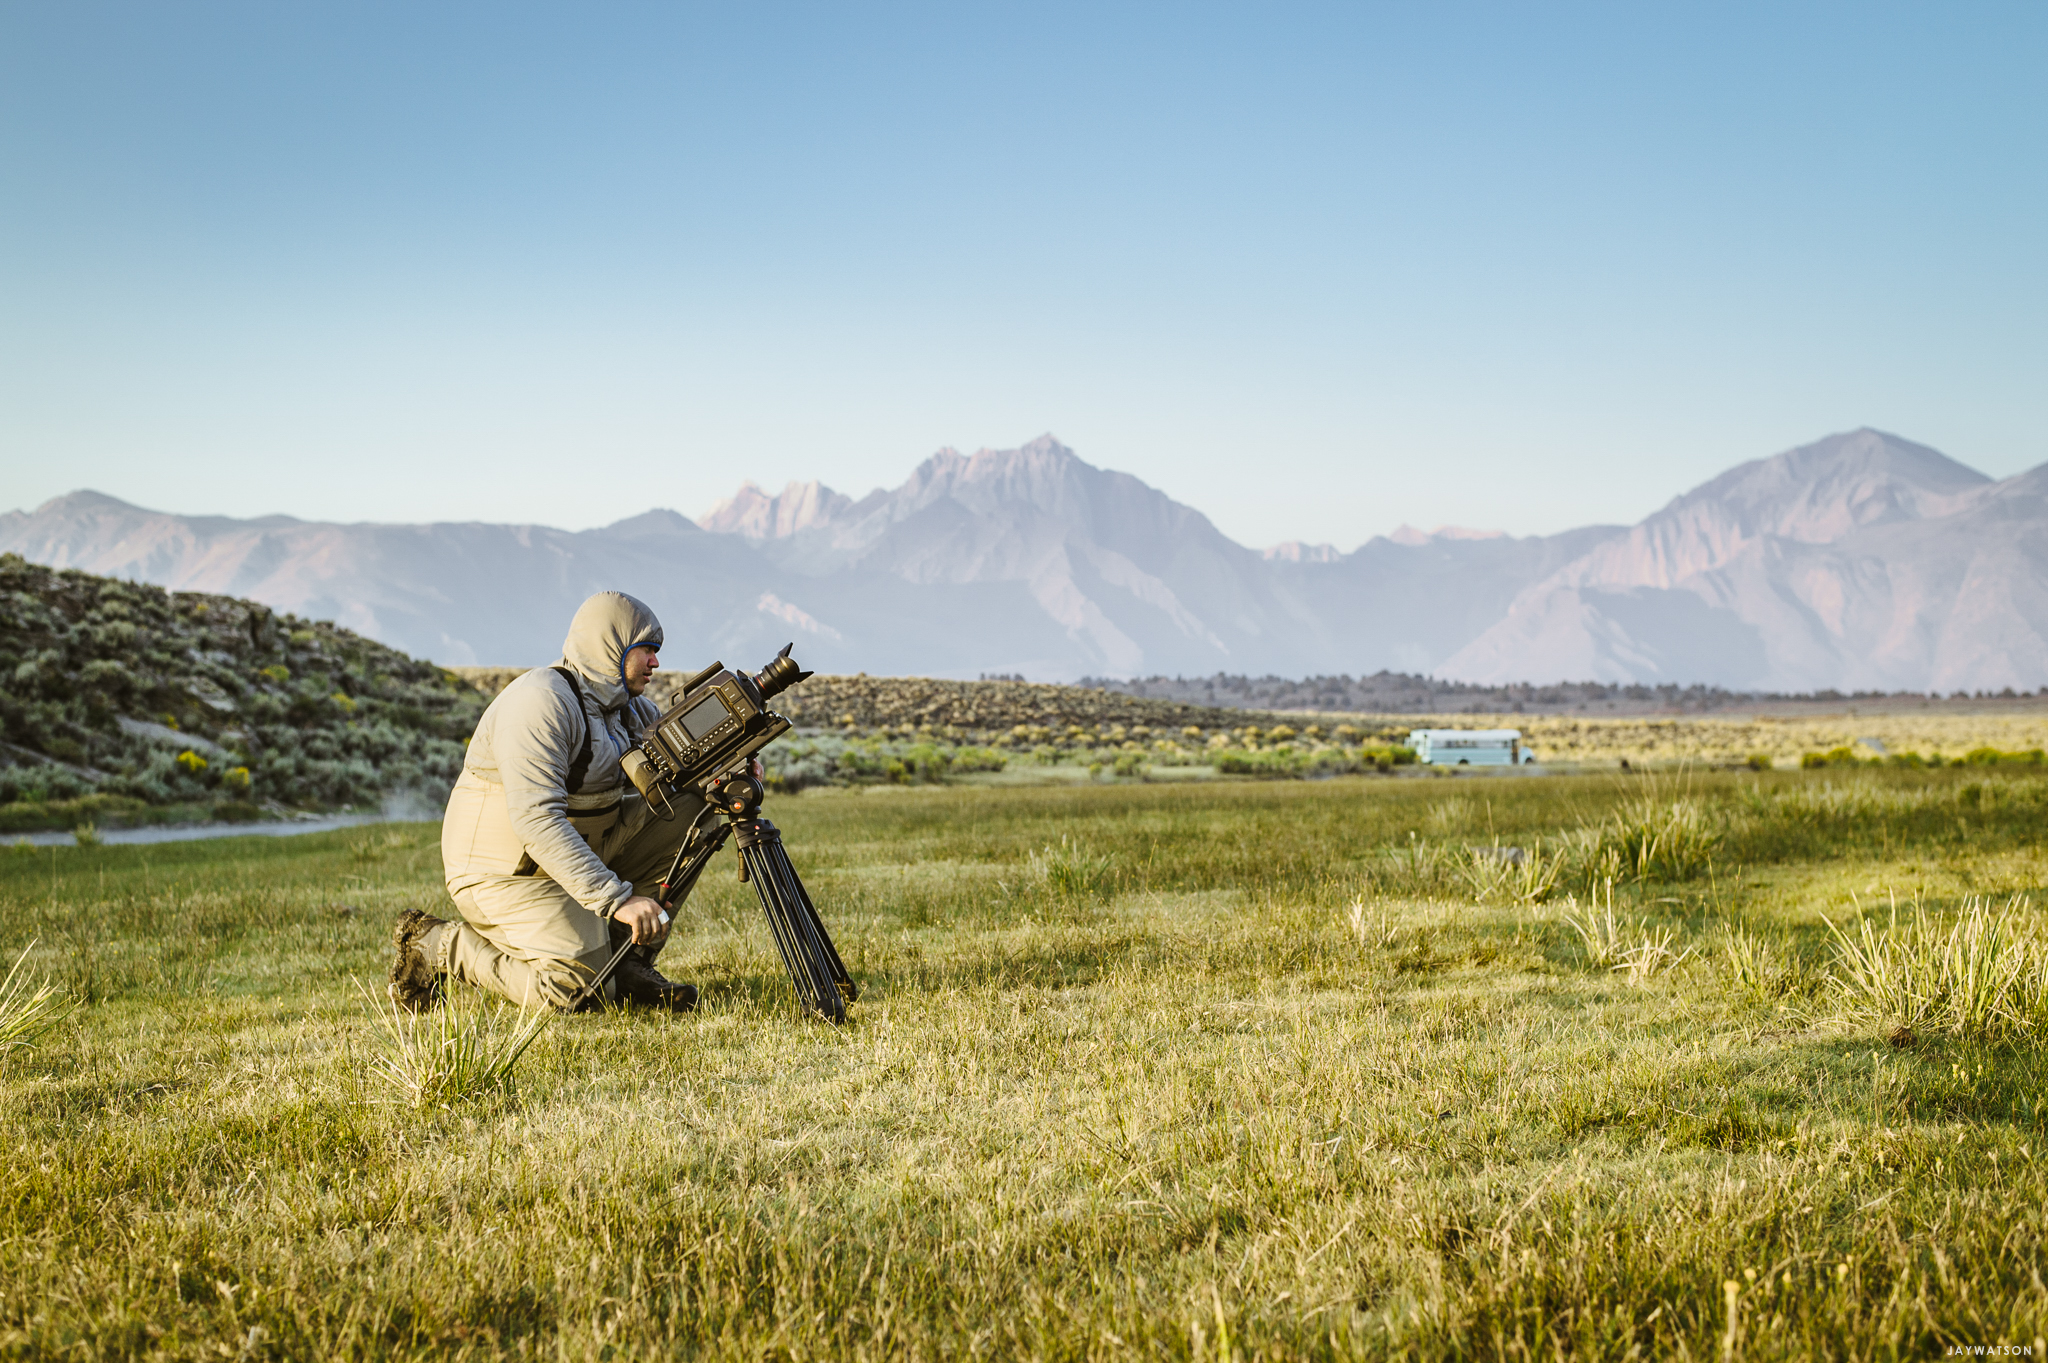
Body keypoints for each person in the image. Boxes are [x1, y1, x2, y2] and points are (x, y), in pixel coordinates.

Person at [388, 590, 705, 1013]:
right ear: (611, 647)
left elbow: (684, 770)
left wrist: (728, 770)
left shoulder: (631, 710)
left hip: (570, 860)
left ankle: (625, 964)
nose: (656, 662)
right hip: (503, 876)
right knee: (579, 991)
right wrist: (618, 900)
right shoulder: (541, 701)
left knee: (695, 804)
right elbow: (537, 820)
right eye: (646, 649)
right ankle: (440, 945)